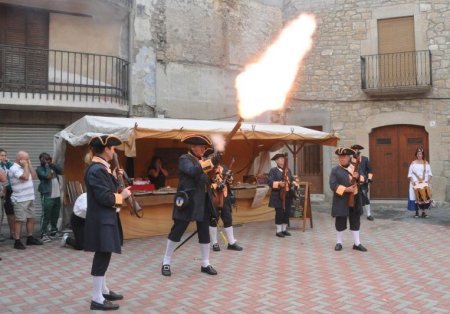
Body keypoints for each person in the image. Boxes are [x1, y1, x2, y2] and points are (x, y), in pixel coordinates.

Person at [84, 135, 131, 311]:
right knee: (102, 255)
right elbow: (104, 197)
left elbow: (107, 189)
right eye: (112, 148)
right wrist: (123, 196)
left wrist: (113, 176)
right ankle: (96, 298)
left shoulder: (102, 169)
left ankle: (102, 290)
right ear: (105, 149)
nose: (114, 151)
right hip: (101, 219)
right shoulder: (97, 170)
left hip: (105, 218)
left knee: (105, 254)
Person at [161, 134, 219, 277]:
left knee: (204, 232)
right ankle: (166, 261)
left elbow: (207, 179)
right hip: (188, 201)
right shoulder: (185, 159)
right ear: (193, 147)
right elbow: (193, 171)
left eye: (204, 147)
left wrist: (214, 169)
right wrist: (209, 162)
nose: (203, 150)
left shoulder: (202, 161)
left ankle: (205, 263)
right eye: (201, 147)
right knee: (178, 230)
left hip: (204, 201)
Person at [204, 149, 243, 252]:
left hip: (224, 196)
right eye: (211, 156)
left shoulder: (224, 167)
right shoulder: (206, 169)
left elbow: (229, 181)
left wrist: (229, 178)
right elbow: (205, 185)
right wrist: (216, 185)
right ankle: (214, 243)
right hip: (212, 197)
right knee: (213, 220)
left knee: (228, 219)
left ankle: (231, 242)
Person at [330, 147, 367, 252]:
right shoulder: (335, 170)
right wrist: (346, 189)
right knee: (340, 221)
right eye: (340, 157)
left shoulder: (355, 167)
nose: (342, 159)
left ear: (349, 157)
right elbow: (333, 185)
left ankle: (357, 243)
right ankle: (339, 242)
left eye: (344, 157)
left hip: (355, 198)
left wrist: (359, 176)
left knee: (355, 220)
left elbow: (364, 180)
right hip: (341, 199)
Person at [9, 151, 43, 249]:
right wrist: (25, 166)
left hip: (30, 197)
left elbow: (34, 176)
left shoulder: (25, 166)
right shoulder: (14, 168)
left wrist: (29, 165)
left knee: (31, 218)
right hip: (20, 199)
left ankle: (30, 237)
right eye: (26, 159)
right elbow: (24, 177)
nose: (28, 160)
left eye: (28, 159)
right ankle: (17, 241)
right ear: (20, 159)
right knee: (19, 220)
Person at [267, 153, 298, 238]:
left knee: (287, 212)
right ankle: (278, 231)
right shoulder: (273, 170)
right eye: (280, 159)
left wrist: (294, 182)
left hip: (287, 194)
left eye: (283, 159)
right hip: (278, 195)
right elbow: (270, 182)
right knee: (279, 212)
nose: (282, 160)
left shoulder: (288, 170)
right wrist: (279, 184)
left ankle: (284, 229)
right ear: (276, 161)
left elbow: (291, 179)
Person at [36, 152, 64, 242]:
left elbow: (62, 171)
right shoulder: (39, 169)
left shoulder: (52, 167)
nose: (47, 161)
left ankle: (53, 231)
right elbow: (47, 176)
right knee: (46, 215)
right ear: (41, 160)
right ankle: (43, 234)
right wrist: (47, 166)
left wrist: (52, 164)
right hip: (47, 194)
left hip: (57, 195)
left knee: (55, 214)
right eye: (45, 159)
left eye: (48, 159)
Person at [350, 144, 374, 221]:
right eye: (354, 150)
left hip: (363, 182)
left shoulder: (365, 159)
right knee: (353, 197)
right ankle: (353, 212)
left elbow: (370, 170)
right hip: (353, 182)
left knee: (365, 197)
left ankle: (369, 214)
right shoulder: (350, 160)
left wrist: (369, 179)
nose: (356, 151)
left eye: (357, 150)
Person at [407, 147, 432, 218]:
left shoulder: (426, 163)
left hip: (424, 183)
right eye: (418, 154)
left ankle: (424, 212)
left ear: (422, 154)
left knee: (424, 197)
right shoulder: (413, 163)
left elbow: (430, 173)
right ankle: (416, 212)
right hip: (415, 183)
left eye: (420, 154)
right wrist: (413, 182)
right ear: (416, 154)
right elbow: (410, 174)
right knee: (416, 197)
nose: (419, 155)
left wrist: (427, 181)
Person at [0, 148, 16, 240]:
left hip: (8, 192)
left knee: (10, 213)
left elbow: (14, 167)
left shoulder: (6, 165)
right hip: (1, 191)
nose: (4, 157)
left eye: (5, 155)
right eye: (2, 155)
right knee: (0, 214)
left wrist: (8, 162)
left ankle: (12, 233)